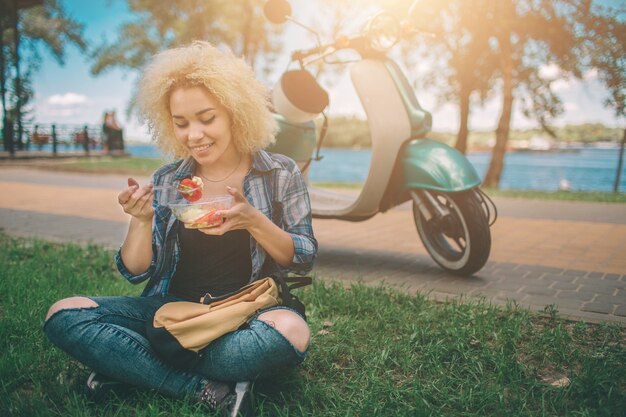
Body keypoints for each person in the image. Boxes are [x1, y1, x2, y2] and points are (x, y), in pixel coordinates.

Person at [43, 41, 317, 416]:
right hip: (169, 311)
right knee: (64, 314)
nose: (194, 135)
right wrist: (140, 220)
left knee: (291, 331)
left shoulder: (280, 173)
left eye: (207, 118)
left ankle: (130, 366)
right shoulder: (170, 178)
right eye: (181, 122)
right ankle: (209, 389)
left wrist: (253, 220)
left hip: (242, 314)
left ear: (235, 112)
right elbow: (136, 270)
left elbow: (302, 256)